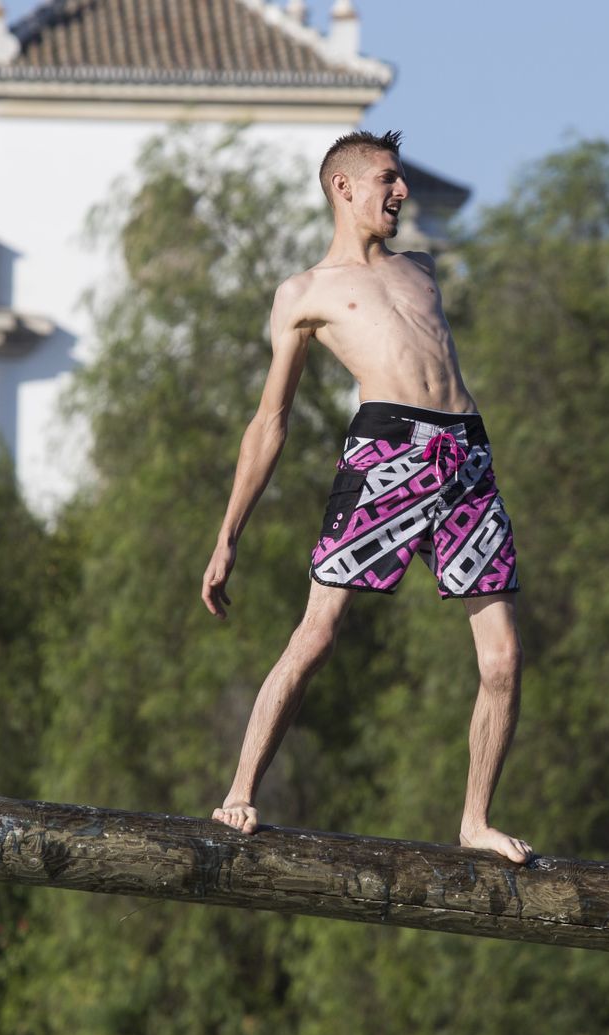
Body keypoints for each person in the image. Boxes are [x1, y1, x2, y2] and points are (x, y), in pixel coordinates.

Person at [200, 130, 531, 864]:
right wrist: (229, 535)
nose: (401, 192)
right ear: (343, 188)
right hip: (389, 454)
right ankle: (241, 790)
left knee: (504, 660)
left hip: (466, 457)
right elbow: (269, 422)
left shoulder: (422, 269)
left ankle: (475, 819)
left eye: (400, 179)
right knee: (316, 635)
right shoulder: (305, 293)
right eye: (387, 179)